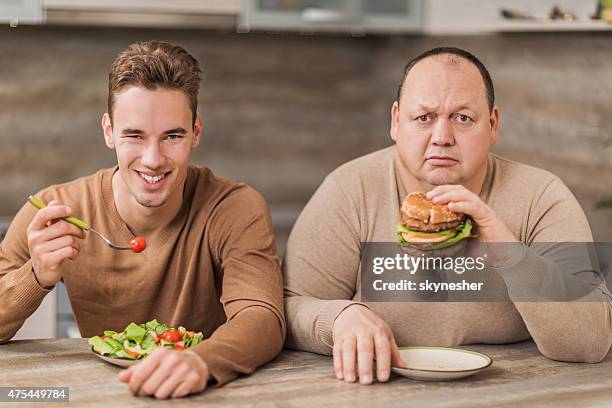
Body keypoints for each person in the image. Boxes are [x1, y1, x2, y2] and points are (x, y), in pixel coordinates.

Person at [283, 46, 612, 385]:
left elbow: (589, 341)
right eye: (423, 117)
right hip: (377, 385)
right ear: (396, 121)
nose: (442, 138)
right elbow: (286, 307)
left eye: (463, 118)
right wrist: (338, 317)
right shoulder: (349, 190)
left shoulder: (541, 197)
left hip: (514, 388)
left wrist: (508, 251)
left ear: (493, 124)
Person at [0, 41, 285, 399]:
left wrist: (202, 361)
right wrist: (36, 276)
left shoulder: (234, 207)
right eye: (134, 136)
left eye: (172, 136)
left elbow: (262, 317)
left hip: (202, 391)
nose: (153, 159)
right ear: (108, 131)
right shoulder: (58, 209)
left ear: (196, 132)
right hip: (98, 395)